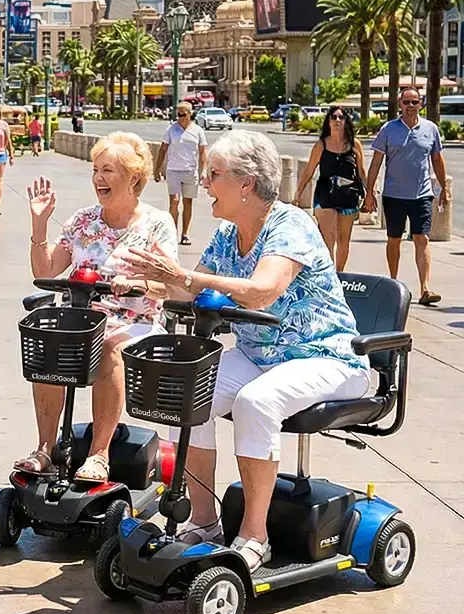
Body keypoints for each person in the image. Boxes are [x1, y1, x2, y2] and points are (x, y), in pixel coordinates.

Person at [122, 131, 371, 570]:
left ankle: (255, 536)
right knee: (186, 391)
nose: (204, 181)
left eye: (213, 174)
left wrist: (182, 276)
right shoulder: (227, 233)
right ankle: (204, 521)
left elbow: (262, 292)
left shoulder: (290, 225)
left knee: (258, 402)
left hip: (327, 357)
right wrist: (144, 282)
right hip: (262, 357)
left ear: (246, 184)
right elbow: (187, 286)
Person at [20, 132, 178, 481]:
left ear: (133, 177)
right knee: (48, 341)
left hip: (135, 322)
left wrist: (138, 284)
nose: (98, 179)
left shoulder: (156, 224)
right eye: (95, 170)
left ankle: (99, 455)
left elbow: (172, 285)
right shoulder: (82, 220)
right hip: (82, 319)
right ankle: (45, 448)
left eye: (107, 170)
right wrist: (39, 224)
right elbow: (45, 271)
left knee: (108, 346)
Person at [363, 86, 449, 306]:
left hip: (421, 195)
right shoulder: (388, 129)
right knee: (394, 240)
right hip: (394, 195)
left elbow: (437, 160)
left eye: (414, 102)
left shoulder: (430, 129)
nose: (410, 107)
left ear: (420, 104)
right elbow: (376, 162)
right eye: (406, 102)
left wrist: (443, 188)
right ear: (399, 104)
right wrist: (369, 192)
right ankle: (394, 284)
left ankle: (425, 288)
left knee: (422, 239)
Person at [293, 105, 366, 272]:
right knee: (328, 237)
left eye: (341, 117)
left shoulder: (354, 145)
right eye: (334, 117)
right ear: (328, 122)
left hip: (348, 194)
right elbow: (309, 170)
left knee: (343, 239)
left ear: (347, 121)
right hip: (326, 193)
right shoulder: (321, 145)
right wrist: (298, 193)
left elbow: (361, 172)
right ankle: (328, 274)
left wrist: (370, 194)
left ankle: (339, 273)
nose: (337, 120)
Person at [154, 101, 208, 247]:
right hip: (173, 170)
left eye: (183, 114)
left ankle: (185, 234)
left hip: (191, 171)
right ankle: (172, 233)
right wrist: (157, 169)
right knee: (175, 201)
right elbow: (163, 150)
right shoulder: (171, 130)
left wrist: (204, 169)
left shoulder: (197, 131)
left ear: (190, 114)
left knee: (187, 203)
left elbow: (203, 151)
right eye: (178, 114)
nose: (180, 117)